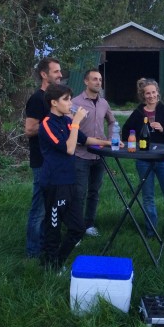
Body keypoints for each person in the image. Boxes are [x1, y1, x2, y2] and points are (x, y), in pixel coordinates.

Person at [38, 83, 113, 271]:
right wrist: (77, 121)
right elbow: (69, 148)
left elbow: (84, 139)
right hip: (54, 184)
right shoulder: (47, 124)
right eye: (66, 99)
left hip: (69, 182)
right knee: (53, 228)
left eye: (70, 99)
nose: (70, 103)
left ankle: (58, 262)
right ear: (54, 103)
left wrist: (109, 143)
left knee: (78, 228)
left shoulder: (66, 121)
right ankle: (50, 265)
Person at [122, 78, 164, 241]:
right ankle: (151, 232)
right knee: (148, 197)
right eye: (147, 93)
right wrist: (137, 137)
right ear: (143, 95)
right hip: (143, 159)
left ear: (157, 93)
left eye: (153, 92)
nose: (151, 96)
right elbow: (125, 132)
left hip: (163, 159)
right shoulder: (138, 112)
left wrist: (163, 129)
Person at [24, 57, 63, 258]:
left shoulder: (53, 100)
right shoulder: (37, 99)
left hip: (55, 161)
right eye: (56, 71)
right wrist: (53, 125)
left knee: (51, 209)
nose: (60, 75)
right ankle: (33, 252)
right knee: (39, 209)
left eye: (60, 71)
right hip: (42, 161)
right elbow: (30, 129)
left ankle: (46, 246)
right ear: (44, 74)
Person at [72, 69, 116, 237]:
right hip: (81, 155)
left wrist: (111, 138)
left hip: (100, 155)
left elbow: (112, 121)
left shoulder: (104, 103)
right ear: (86, 82)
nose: (98, 82)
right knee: (79, 193)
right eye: (94, 79)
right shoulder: (75, 102)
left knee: (94, 192)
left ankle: (89, 224)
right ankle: (76, 228)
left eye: (100, 79)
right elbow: (70, 127)